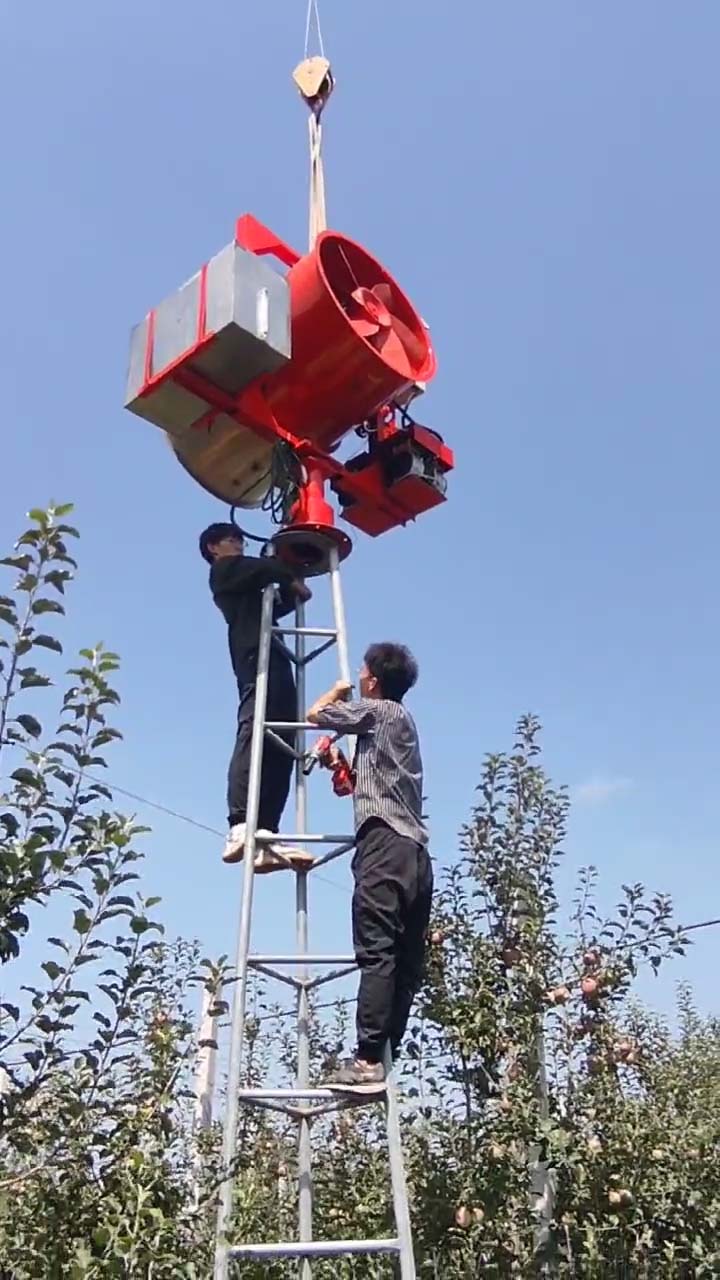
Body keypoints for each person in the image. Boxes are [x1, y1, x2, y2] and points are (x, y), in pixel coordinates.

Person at [307, 642, 433, 1089]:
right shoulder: (399, 723)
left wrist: (337, 691)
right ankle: (384, 1054)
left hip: (384, 846)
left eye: (363, 671)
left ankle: (366, 1061)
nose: (359, 675)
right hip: (414, 854)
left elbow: (316, 714)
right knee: (404, 960)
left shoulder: (377, 711)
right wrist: (339, 764)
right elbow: (366, 786)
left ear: (374, 681)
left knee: (377, 951)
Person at [199, 522, 313, 871]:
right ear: (213, 548)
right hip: (253, 654)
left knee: (283, 737)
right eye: (231, 539)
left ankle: (266, 831)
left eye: (240, 539)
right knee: (255, 727)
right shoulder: (224, 571)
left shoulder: (250, 578)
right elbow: (263, 569)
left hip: (274, 653)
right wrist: (285, 570)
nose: (238, 544)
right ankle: (240, 824)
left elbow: (279, 599)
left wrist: (292, 584)